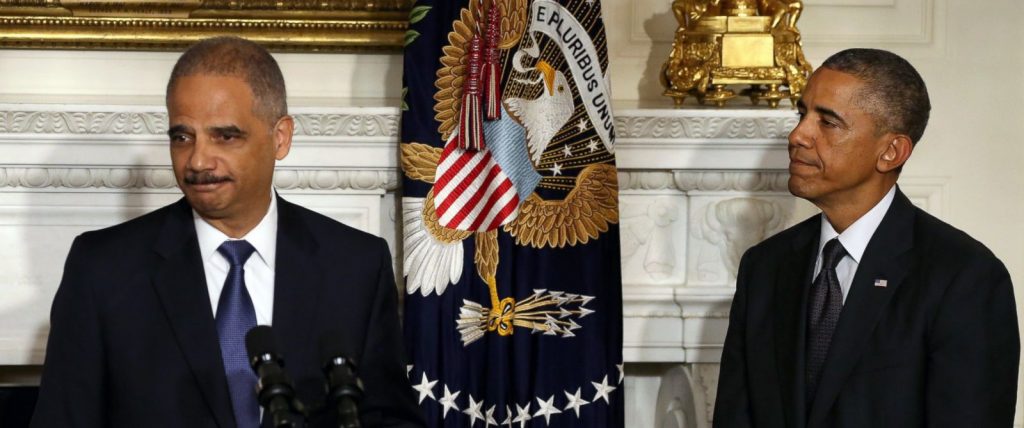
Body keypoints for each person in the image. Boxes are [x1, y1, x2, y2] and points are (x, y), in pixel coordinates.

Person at [31, 36, 425, 427]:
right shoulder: (103, 269)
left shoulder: (355, 265)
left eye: (225, 135)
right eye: (182, 136)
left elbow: (389, 417)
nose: (198, 159)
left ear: (280, 137)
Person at [713, 48, 1019, 427]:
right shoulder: (765, 266)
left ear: (891, 152)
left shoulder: (964, 277)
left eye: (828, 122)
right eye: (802, 113)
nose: (797, 135)